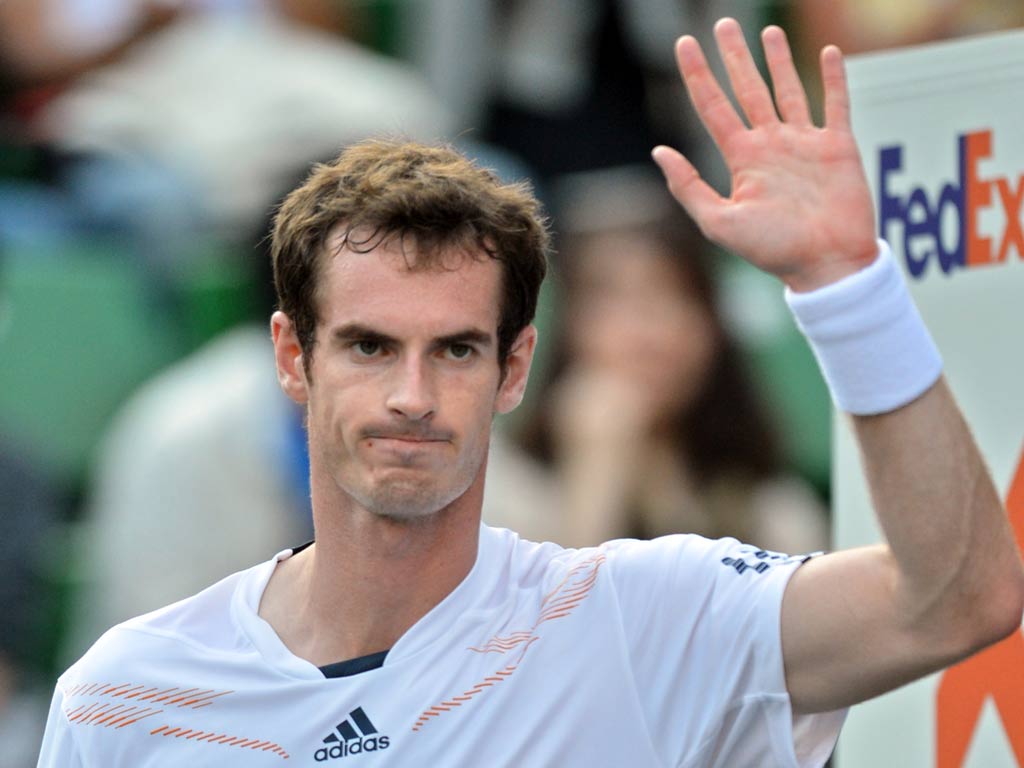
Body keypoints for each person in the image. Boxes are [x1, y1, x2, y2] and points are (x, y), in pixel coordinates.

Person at [37, 18, 1024, 767]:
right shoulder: (123, 699)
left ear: (514, 369)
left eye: (457, 350)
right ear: (292, 358)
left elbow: (957, 601)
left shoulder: (648, 620)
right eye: (371, 347)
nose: (413, 395)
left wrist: (847, 288)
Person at [513, 166, 828, 551]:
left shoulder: (774, 511)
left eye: (676, 296)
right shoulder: (505, 491)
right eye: (613, 300)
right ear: (567, 325)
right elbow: (559, 609)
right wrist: (596, 469)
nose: (649, 334)